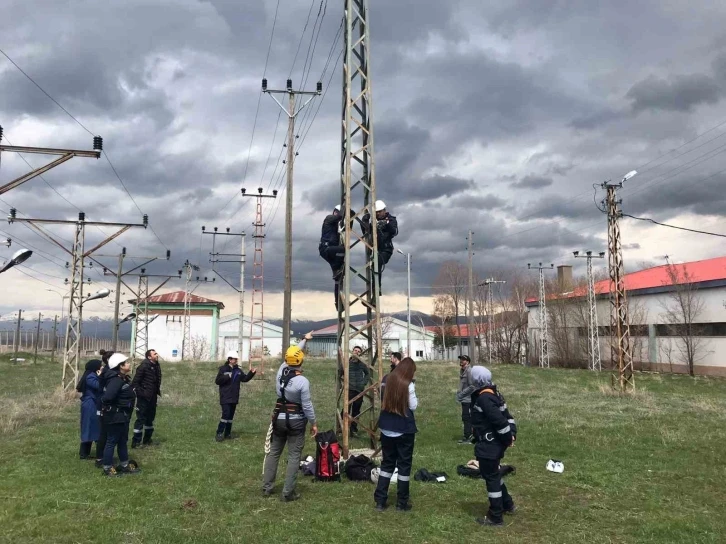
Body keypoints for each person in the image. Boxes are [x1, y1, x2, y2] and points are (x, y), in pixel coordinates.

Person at [262, 332, 317, 502]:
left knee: (274, 453)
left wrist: (304, 341)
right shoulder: (302, 382)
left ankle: (267, 487)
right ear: (301, 361)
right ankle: (288, 492)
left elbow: (291, 356)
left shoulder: (281, 372)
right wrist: (314, 423)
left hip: (279, 418)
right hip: (296, 421)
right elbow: (307, 405)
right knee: (294, 456)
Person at [469, 366, 517, 526]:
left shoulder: (484, 399)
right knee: (494, 474)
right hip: (495, 444)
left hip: (490, 445)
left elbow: (500, 421)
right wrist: (512, 434)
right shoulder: (495, 394)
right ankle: (507, 504)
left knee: (491, 477)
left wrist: (507, 438)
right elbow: (509, 417)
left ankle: (495, 516)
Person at [374, 357, 417, 513]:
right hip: (403, 429)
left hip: (386, 428)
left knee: (387, 465)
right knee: (404, 467)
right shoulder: (408, 385)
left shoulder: (387, 379)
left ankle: (380, 500)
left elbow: (382, 398)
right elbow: (413, 406)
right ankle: (402, 503)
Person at [101, 353, 139, 477]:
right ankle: (107, 467)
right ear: (120, 366)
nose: (129, 364)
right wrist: (119, 405)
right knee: (112, 441)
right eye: (126, 363)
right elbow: (107, 398)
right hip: (115, 416)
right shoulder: (115, 381)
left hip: (123, 416)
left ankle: (124, 464)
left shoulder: (123, 379)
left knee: (122, 441)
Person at [215, 351, 257, 441]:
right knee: (225, 415)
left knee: (230, 416)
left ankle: (227, 434)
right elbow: (217, 381)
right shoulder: (223, 369)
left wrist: (251, 373)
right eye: (235, 359)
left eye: (236, 359)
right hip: (225, 397)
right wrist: (227, 377)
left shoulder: (238, 370)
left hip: (234, 397)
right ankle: (219, 433)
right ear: (230, 360)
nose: (236, 360)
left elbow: (244, 379)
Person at [362, 200, 398, 295]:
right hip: (375, 250)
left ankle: (377, 288)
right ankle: (374, 289)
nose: (378, 214)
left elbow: (394, 231)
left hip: (386, 250)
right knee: (375, 265)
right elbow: (366, 233)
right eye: (376, 212)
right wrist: (364, 222)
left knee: (377, 262)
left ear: (384, 210)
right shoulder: (374, 222)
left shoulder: (391, 219)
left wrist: (386, 224)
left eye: (379, 212)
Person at [131, 349, 162, 448]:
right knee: (141, 419)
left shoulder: (156, 365)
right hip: (143, 398)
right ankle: (136, 442)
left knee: (150, 419)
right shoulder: (143, 366)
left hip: (152, 397)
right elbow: (135, 383)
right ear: (149, 357)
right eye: (155, 354)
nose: (157, 355)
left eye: (156, 353)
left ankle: (147, 440)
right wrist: (142, 393)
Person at [339, 345, 370, 436]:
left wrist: (363, 383)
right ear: (352, 352)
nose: (356, 352)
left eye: (359, 351)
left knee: (356, 411)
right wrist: (341, 384)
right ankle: (341, 429)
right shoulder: (346, 363)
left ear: (361, 354)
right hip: (350, 389)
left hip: (359, 390)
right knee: (345, 410)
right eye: (355, 350)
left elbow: (367, 374)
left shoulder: (362, 364)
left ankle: (353, 430)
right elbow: (339, 373)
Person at [77, 359, 103, 459]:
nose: (102, 367)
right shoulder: (90, 377)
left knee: (93, 427)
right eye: (100, 365)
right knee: (89, 427)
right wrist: (100, 377)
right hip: (90, 405)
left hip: (92, 404)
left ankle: (88, 453)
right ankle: (84, 453)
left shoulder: (91, 375)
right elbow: (98, 386)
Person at [94, 350, 115, 468]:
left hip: (105, 404)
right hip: (103, 405)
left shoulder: (109, 371)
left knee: (107, 433)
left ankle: (105, 457)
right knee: (104, 433)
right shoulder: (107, 372)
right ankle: (100, 458)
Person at [455, 355, 475, 444]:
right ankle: (467, 435)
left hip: (468, 399)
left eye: (463, 360)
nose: (461, 361)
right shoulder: (462, 370)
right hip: (464, 399)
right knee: (465, 417)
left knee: (467, 417)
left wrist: (461, 394)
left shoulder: (469, 371)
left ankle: (469, 437)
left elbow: (472, 386)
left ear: (468, 361)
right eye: (460, 359)